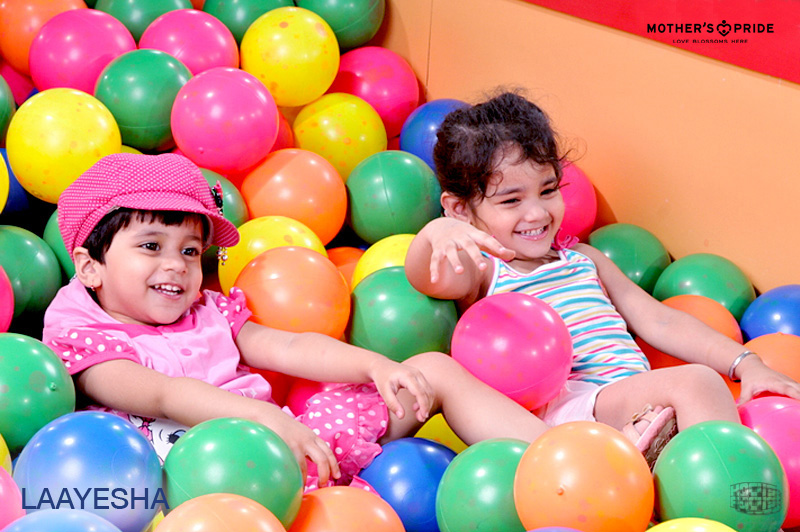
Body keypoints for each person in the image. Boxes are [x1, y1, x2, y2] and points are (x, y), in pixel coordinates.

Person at [42, 152, 550, 490]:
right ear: (90, 267)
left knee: (431, 370)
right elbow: (163, 395)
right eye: (151, 246)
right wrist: (265, 420)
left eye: (191, 250)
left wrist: (374, 365)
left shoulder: (207, 311)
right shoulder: (83, 335)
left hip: (291, 450)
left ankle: (557, 456)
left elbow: (289, 347)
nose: (176, 264)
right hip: (194, 482)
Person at [405, 90, 800, 467]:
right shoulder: (484, 268)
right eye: (511, 200)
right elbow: (427, 278)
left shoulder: (584, 259)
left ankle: (648, 462)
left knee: (694, 392)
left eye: (548, 190)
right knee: (698, 383)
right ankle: (724, 497)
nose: (537, 213)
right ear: (460, 209)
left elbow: (659, 320)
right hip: (569, 412)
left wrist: (745, 362)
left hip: (632, 400)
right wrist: (435, 234)